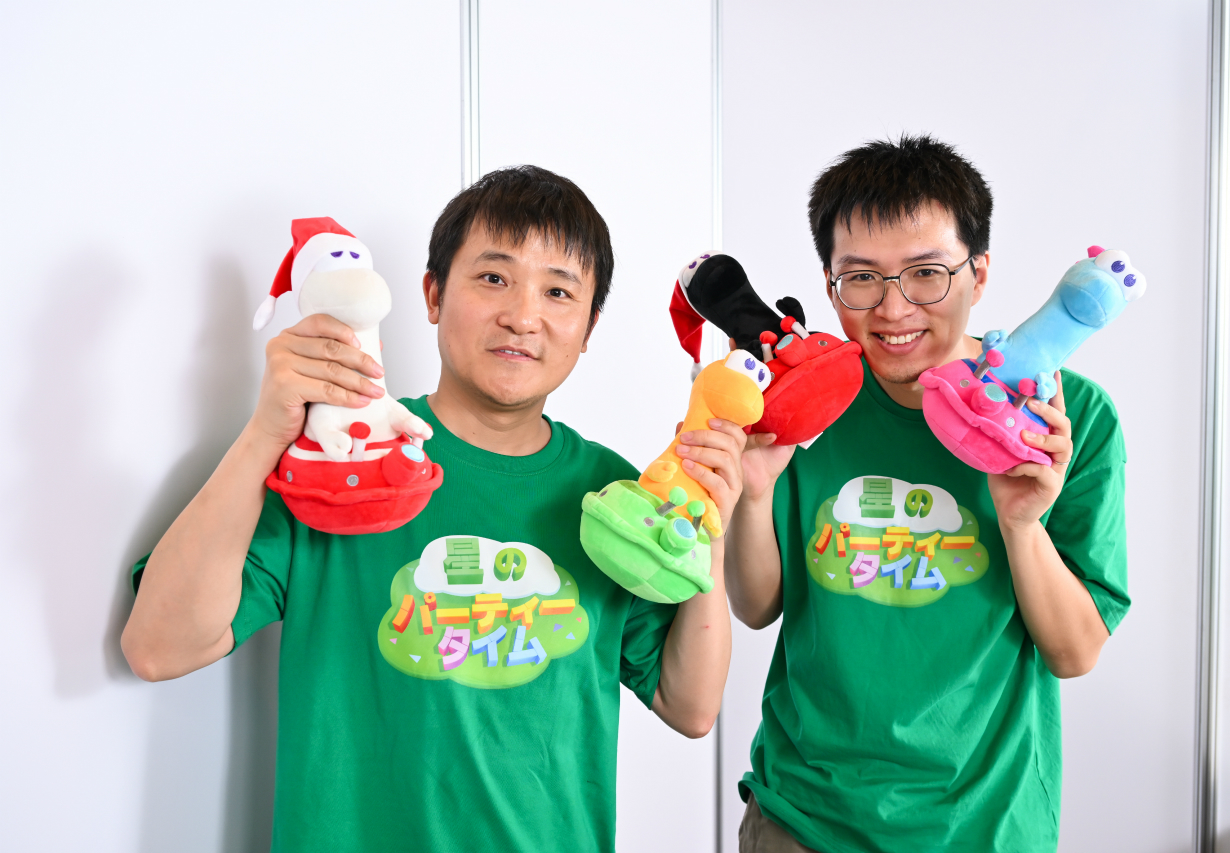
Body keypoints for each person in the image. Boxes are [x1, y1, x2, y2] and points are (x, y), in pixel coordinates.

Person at [121, 165, 745, 852]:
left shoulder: (613, 495)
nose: (523, 316)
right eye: (493, 277)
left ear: (589, 326)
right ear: (433, 294)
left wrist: (706, 525)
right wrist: (267, 432)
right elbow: (158, 647)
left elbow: (690, 706)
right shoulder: (340, 461)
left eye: (558, 291)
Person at [726, 136, 1129, 853]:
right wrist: (753, 494)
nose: (893, 307)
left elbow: (1074, 652)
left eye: (926, 274)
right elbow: (757, 606)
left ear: (979, 272)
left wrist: (1021, 523)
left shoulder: (1069, 419)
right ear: (829, 284)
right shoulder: (807, 402)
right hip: (803, 818)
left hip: (986, 827)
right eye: (862, 278)